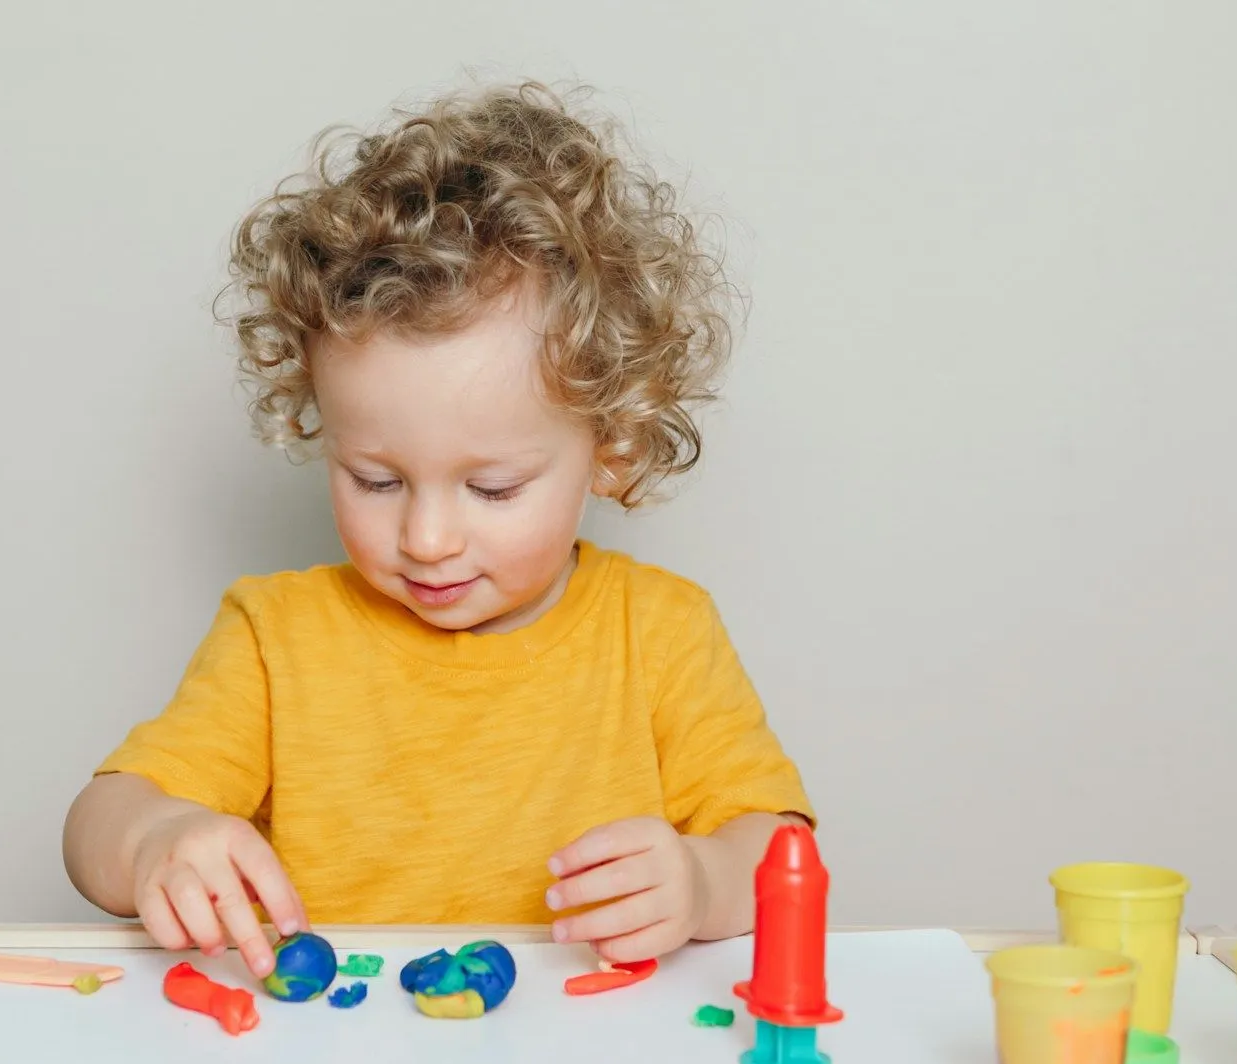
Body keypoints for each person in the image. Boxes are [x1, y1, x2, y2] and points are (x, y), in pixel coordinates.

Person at [62, 81, 813, 980]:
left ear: (610, 448)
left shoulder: (660, 633)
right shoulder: (275, 637)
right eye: (374, 479)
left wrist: (699, 878)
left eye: (492, 489)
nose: (425, 538)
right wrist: (155, 839)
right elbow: (94, 829)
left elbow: (781, 858)